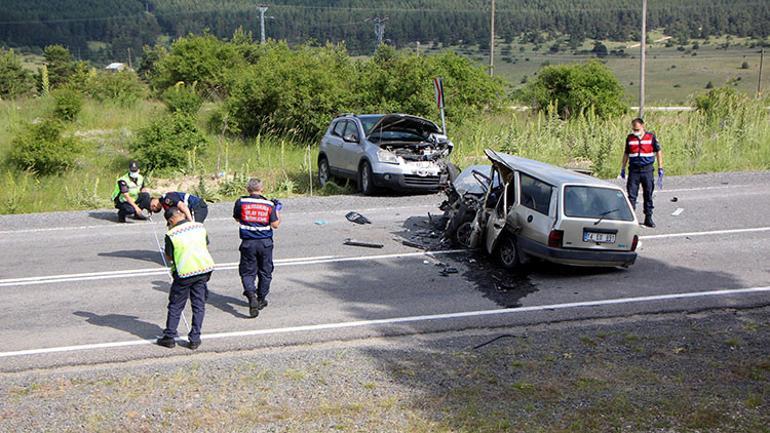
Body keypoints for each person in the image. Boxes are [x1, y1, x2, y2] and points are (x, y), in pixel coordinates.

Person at [156, 206, 215, 350]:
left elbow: (169, 257)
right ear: (181, 214)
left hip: (184, 273)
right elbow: (206, 244)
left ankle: (169, 337)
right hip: (203, 269)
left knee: (176, 305)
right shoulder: (199, 227)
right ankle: (195, 338)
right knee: (198, 305)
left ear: (171, 220)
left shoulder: (171, 234)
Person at [233, 178, 281, 318]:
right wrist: (277, 210)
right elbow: (275, 224)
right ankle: (260, 299)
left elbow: (237, 218)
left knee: (247, 272)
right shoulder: (268, 204)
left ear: (248, 189)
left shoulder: (241, 202)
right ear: (262, 189)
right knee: (265, 271)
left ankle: (251, 294)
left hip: (248, 242)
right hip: (265, 243)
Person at [621, 118, 664, 228]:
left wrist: (660, 167)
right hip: (634, 170)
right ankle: (631, 219)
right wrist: (623, 168)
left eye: (637, 129)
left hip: (647, 170)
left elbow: (658, 151)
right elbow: (626, 153)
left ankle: (648, 218)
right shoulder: (630, 138)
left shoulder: (651, 137)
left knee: (648, 194)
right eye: (633, 129)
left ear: (642, 126)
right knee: (631, 196)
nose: (635, 131)